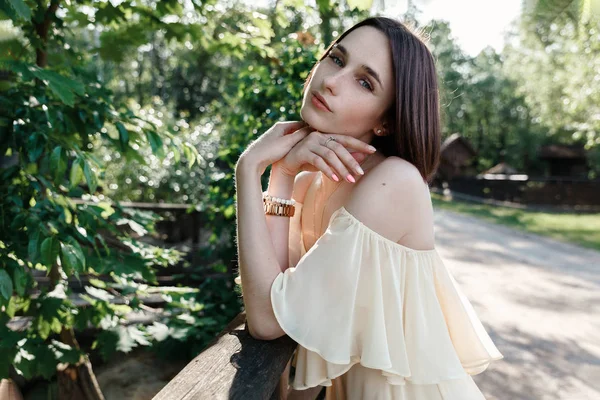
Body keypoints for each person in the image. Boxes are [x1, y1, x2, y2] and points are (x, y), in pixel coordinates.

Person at [234, 16, 503, 400]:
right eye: (337, 59)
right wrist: (280, 175)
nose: (331, 80)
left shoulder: (394, 182)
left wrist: (248, 168)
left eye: (364, 82)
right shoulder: (313, 180)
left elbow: (267, 320)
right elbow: (283, 300)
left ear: (387, 122)